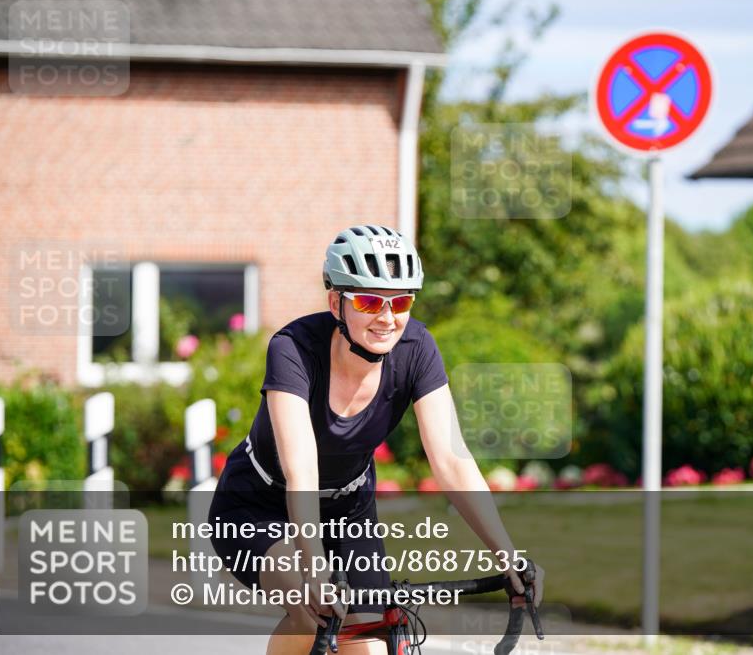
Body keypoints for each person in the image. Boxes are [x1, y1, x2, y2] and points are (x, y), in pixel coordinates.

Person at [208, 225, 544, 655]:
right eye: (369, 301)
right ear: (336, 303)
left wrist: (508, 557)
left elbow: (451, 459)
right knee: (311, 611)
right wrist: (314, 567)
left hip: (349, 508)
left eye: (400, 301)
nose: (387, 318)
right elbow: (301, 467)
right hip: (257, 505)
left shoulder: (417, 347)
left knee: (367, 637)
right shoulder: (292, 349)